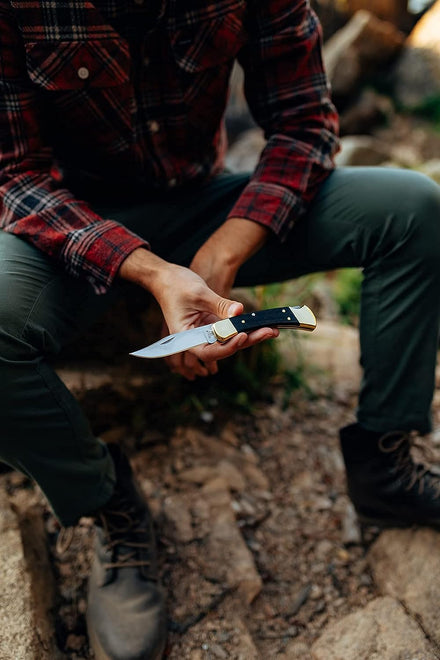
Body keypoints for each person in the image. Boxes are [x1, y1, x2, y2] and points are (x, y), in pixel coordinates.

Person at [1, 0, 440, 658]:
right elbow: (16, 176)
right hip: (70, 229)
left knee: (412, 209)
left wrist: (221, 255)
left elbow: (303, 126)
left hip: (206, 202)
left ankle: (385, 462)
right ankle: (108, 504)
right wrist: (152, 274)